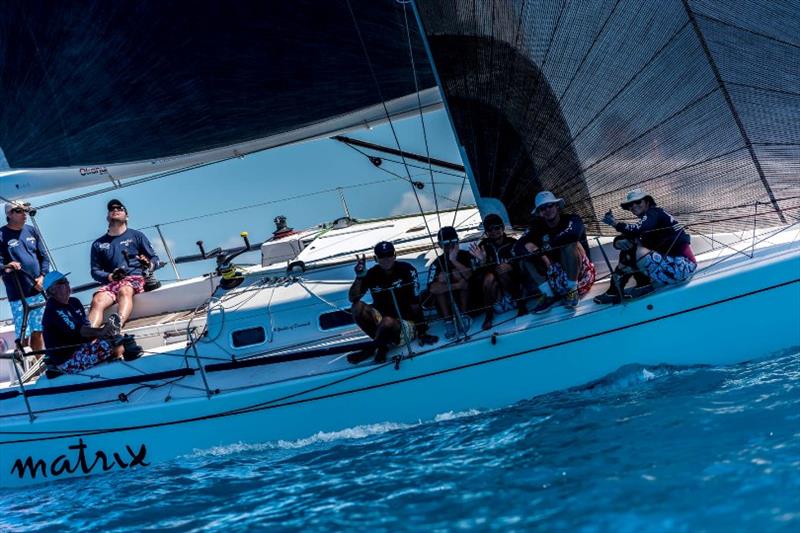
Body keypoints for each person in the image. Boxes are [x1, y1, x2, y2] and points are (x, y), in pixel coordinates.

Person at [348, 241, 438, 364]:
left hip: (405, 323)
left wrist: (422, 332)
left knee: (387, 321)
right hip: (382, 321)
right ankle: (381, 345)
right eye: (381, 256)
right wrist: (359, 277)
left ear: (395, 255)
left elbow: (415, 304)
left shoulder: (407, 270)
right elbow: (353, 298)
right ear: (375, 258)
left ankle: (373, 348)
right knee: (356, 307)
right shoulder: (371, 274)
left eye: (389, 254)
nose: (386, 259)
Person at [41, 271, 142, 377]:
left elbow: (86, 328)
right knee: (115, 345)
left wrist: (106, 332)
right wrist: (102, 331)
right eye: (62, 282)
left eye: (66, 281)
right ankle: (121, 373)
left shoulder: (74, 302)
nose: (67, 283)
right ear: (52, 290)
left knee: (116, 339)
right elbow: (79, 331)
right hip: (67, 360)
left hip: (81, 349)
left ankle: (115, 367)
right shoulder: (53, 309)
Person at [600, 189, 696, 297]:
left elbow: (638, 229)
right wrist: (617, 241)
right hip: (677, 268)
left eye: (638, 202)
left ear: (647, 202)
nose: (634, 206)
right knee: (629, 246)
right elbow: (632, 235)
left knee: (633, 249)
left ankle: (639, 286)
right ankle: (616, 290)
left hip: (683, 267)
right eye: (630, 204)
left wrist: (614, 223)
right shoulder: (651, 219)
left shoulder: (653, 213)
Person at [514, 191, 596, 312]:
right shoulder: (537, 227)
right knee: (528, 249)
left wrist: (548, 246)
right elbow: (517, 247)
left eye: (550, 206)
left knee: (570, 244)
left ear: (557, 206)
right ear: (540, 213)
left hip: (581, 276)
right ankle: (549, 294)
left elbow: (573, 234)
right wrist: (538, 253)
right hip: (557, 276)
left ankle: (572, 291)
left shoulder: (572, 219)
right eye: (543, 208)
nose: (547, 210)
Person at [88, 199, 160, 329]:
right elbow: (95, 271)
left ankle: (116, 326)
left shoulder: (137, 236)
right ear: (107, 217)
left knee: (124, 290)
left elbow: (155, 259)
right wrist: (110, 276)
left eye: (119, 209)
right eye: (111, 209)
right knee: (97, 300)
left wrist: (148, 265)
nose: (115, 210)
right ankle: (89, 334)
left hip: (134, 280)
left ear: (126, 216)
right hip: (112, 282)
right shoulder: (98, 244)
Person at [0, 200, 49, 352]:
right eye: (19, 211)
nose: (24, 214)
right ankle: (25, 364)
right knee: (23, 334)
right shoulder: (1, 235)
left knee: (38, 331)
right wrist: (8, 266)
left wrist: (42, 277)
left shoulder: (31, 230)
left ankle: (39, 367)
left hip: (37, 290)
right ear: (9, 214)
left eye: (24, 211)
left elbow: (44, 257)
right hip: (17, 294)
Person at [469, 213, 526, 330]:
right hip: (497, 297)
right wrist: (482, 261)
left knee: (502, 270)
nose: (494, 231)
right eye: (489, 229)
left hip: (514, 292)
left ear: (502, 228)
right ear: (486, 231)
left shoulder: (513, 243)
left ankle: (522, 306)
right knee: (489, 277)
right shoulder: (483, 246)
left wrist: (511, 266)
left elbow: (523, 266)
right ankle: (489, 315)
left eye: (497, 228)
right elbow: (476, 275)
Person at [428, 226, 473, 339]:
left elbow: (469, 276)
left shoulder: (466, 255)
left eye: (454, 242)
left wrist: (453, 260)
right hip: (447, 302)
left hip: (470, 300)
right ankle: (448, 322)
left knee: (459, 274)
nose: (451, 246)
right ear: (440, 245)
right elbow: (433, 289)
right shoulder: (436, 263)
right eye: (446, 243)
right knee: (441, 279)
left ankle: (464, 316)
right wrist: (456, 285)